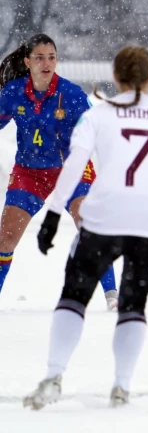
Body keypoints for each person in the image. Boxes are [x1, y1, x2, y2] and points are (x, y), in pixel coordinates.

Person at [23, 45, 148, 410]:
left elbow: (74, 166)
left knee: (74, 296)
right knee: (134, 304)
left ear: (115, 76)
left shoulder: (98, 115)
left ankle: (53, 376)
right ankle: (121, 387)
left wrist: (53, 214)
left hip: (105, 218)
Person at [0, 34, 118, 310]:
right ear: (27, 61)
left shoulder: (72, 94)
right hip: (29, 173)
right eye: (39, 58)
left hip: (70, 170)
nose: (46, 63)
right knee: (6, 236)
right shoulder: (13, 93)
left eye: (51, 57)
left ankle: (112, 296)